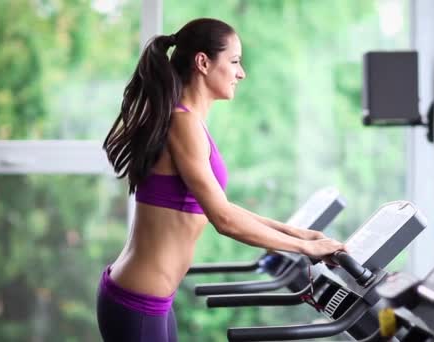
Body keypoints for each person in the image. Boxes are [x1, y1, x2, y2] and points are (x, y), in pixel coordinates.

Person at [96, 18, 346, 341]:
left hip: (153, 300)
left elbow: (224, 207)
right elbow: (224, 220)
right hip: (138, 302)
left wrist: (302, 236)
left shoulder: (189, 122)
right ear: (203, 62)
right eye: (234, 61)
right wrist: (303, 247)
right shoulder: (182, 124)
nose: (241, 73)